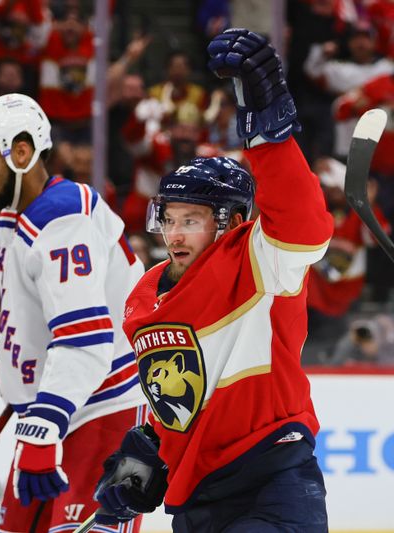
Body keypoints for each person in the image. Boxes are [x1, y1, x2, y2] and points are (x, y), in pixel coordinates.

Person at [92, 29, 331, 532]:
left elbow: (304, 225)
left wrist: (270, 135)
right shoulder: (145, 297)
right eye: (169, 218)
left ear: (228, 221)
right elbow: (174, 397)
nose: (174, 234)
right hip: (196, 495)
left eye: (191, 220)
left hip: (274, 480)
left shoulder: (259, 262)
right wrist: (146, 455)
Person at [0, 93, 146, 531]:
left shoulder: (62, 219)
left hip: (100, 408)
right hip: (54, 413)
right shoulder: (15, 217)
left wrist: (44, 421)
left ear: (21, 152)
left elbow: (86, 340)